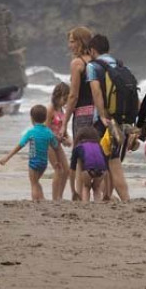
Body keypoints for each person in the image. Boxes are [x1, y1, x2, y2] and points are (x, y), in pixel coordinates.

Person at [87, 34, 130, 202]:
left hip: (104, 120)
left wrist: (102, 115)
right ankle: (108, 196)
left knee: (111, 161)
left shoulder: (93, 66)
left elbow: (96, 91)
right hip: (121, 117)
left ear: (92, 50)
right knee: (112, 159)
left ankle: (123, 199)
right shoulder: (118, 64)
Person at [0, 105, 62, 202]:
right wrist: (58, 162)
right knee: (36, 181)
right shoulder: (48, 132)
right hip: (43, 163)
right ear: (45, 117)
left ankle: (35, 200)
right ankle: (42, 198)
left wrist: (7, 157)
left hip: (33, 163)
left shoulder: (30, 132)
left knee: (33, 183)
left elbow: (20, 145)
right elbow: (56, 146)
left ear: (32, 118)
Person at [60, 26, 94, 200]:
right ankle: (100, 194)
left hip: (82, 115)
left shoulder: (77, 63)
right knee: (98, 154)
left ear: (81, 42)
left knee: (81, 157)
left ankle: (81, 195)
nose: (69, 45)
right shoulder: (97, 61)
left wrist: (64, 123)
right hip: (98, 114)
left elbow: (73, 96)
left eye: (72, 41)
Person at [46, 82, 71, 201]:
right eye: (64, 99)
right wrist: (58, 137)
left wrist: (67, 138)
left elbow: (63, 129)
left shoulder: (62, 110)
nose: (66, 102)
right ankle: (55, 198)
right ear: (58, 95)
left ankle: (60, 196)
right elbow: (44, 130)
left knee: (66, 170)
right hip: (49, 144)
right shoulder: (50, 109)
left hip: (58, 144)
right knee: (58, 169)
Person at [70, 127, 108, 202]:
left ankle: (85, 204)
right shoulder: (99, 146)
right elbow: (106, 165)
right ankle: (98, 204)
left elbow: (72, 170)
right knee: (97, 187)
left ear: (78, 137)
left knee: (86, 186)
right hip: (102, 170)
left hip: (88, 170)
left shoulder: (78, 147)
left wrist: (73, 190)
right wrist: (107, 191)